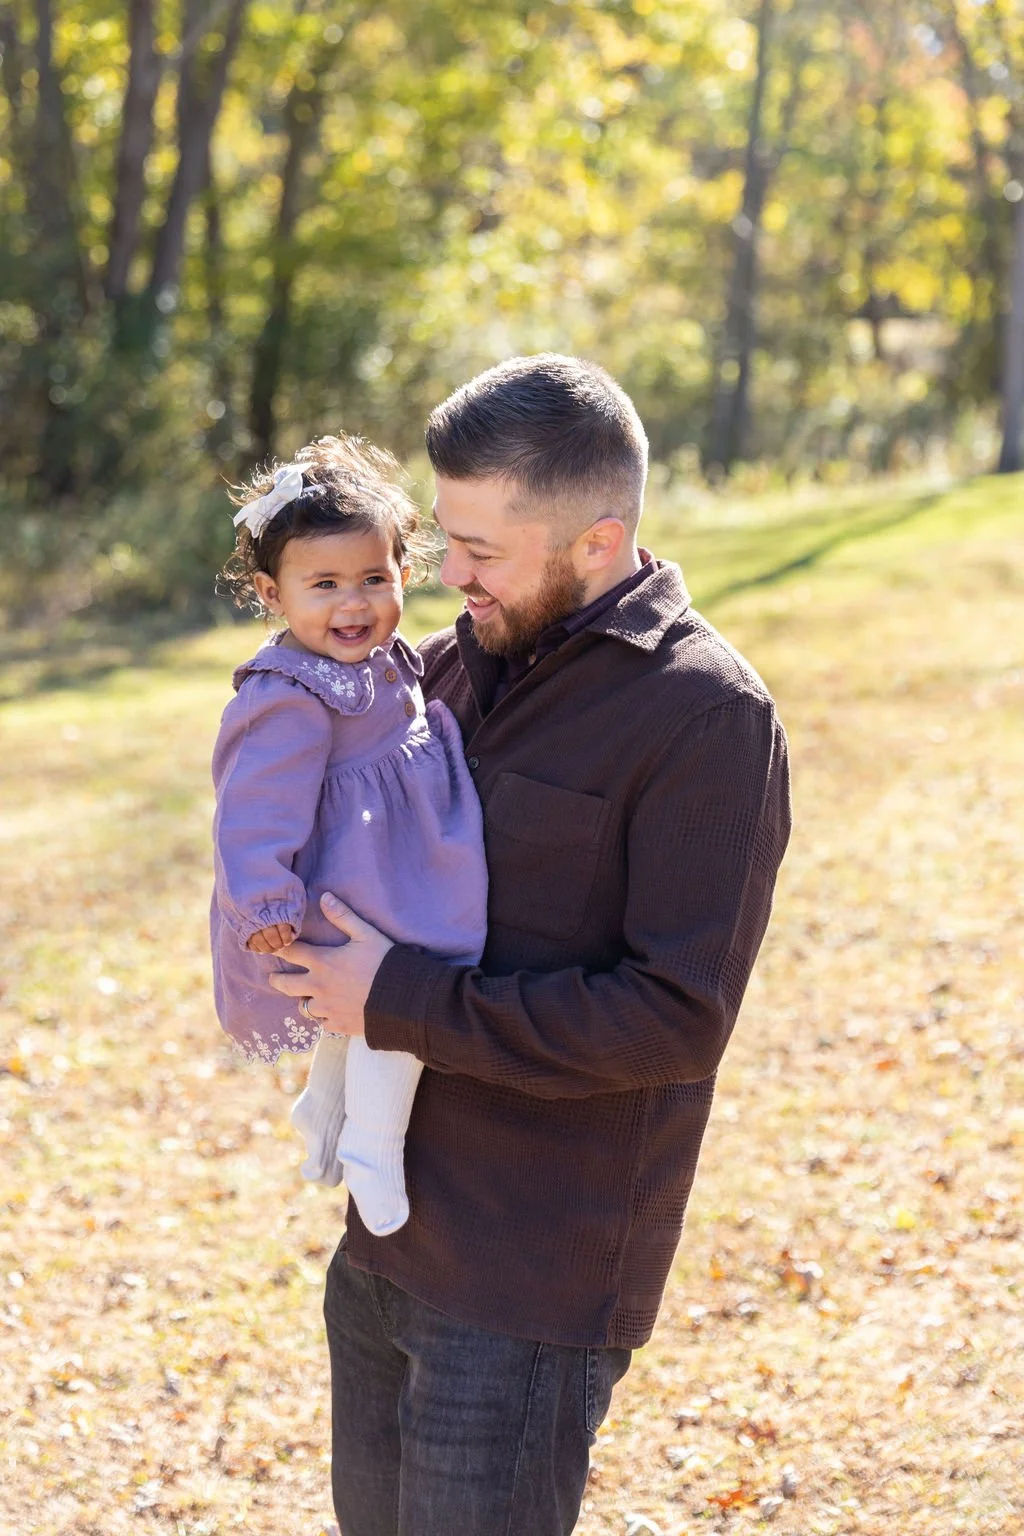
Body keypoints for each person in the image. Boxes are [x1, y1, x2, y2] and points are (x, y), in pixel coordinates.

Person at [270, 354, 793, 1536]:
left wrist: (394, 997)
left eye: (480, 551)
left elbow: (671, 1022)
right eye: (443, 539)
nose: (447, 575)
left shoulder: (708, 721)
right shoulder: (441, 669)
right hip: (381, 1251)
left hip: (526, 1283)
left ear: (597, 543)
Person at [210, 434, 487, 1236]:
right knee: (400, 994)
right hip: (350, 879)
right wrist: (264, 900)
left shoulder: (381, 656)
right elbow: (252, 807)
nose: (353, 604)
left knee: (367, 1005)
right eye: (324, 584)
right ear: (273, 592)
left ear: (404, 571)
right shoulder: (288, 695)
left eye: (373, 579)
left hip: (391, 859)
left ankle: (325, 1103)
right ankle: (374, 1143)